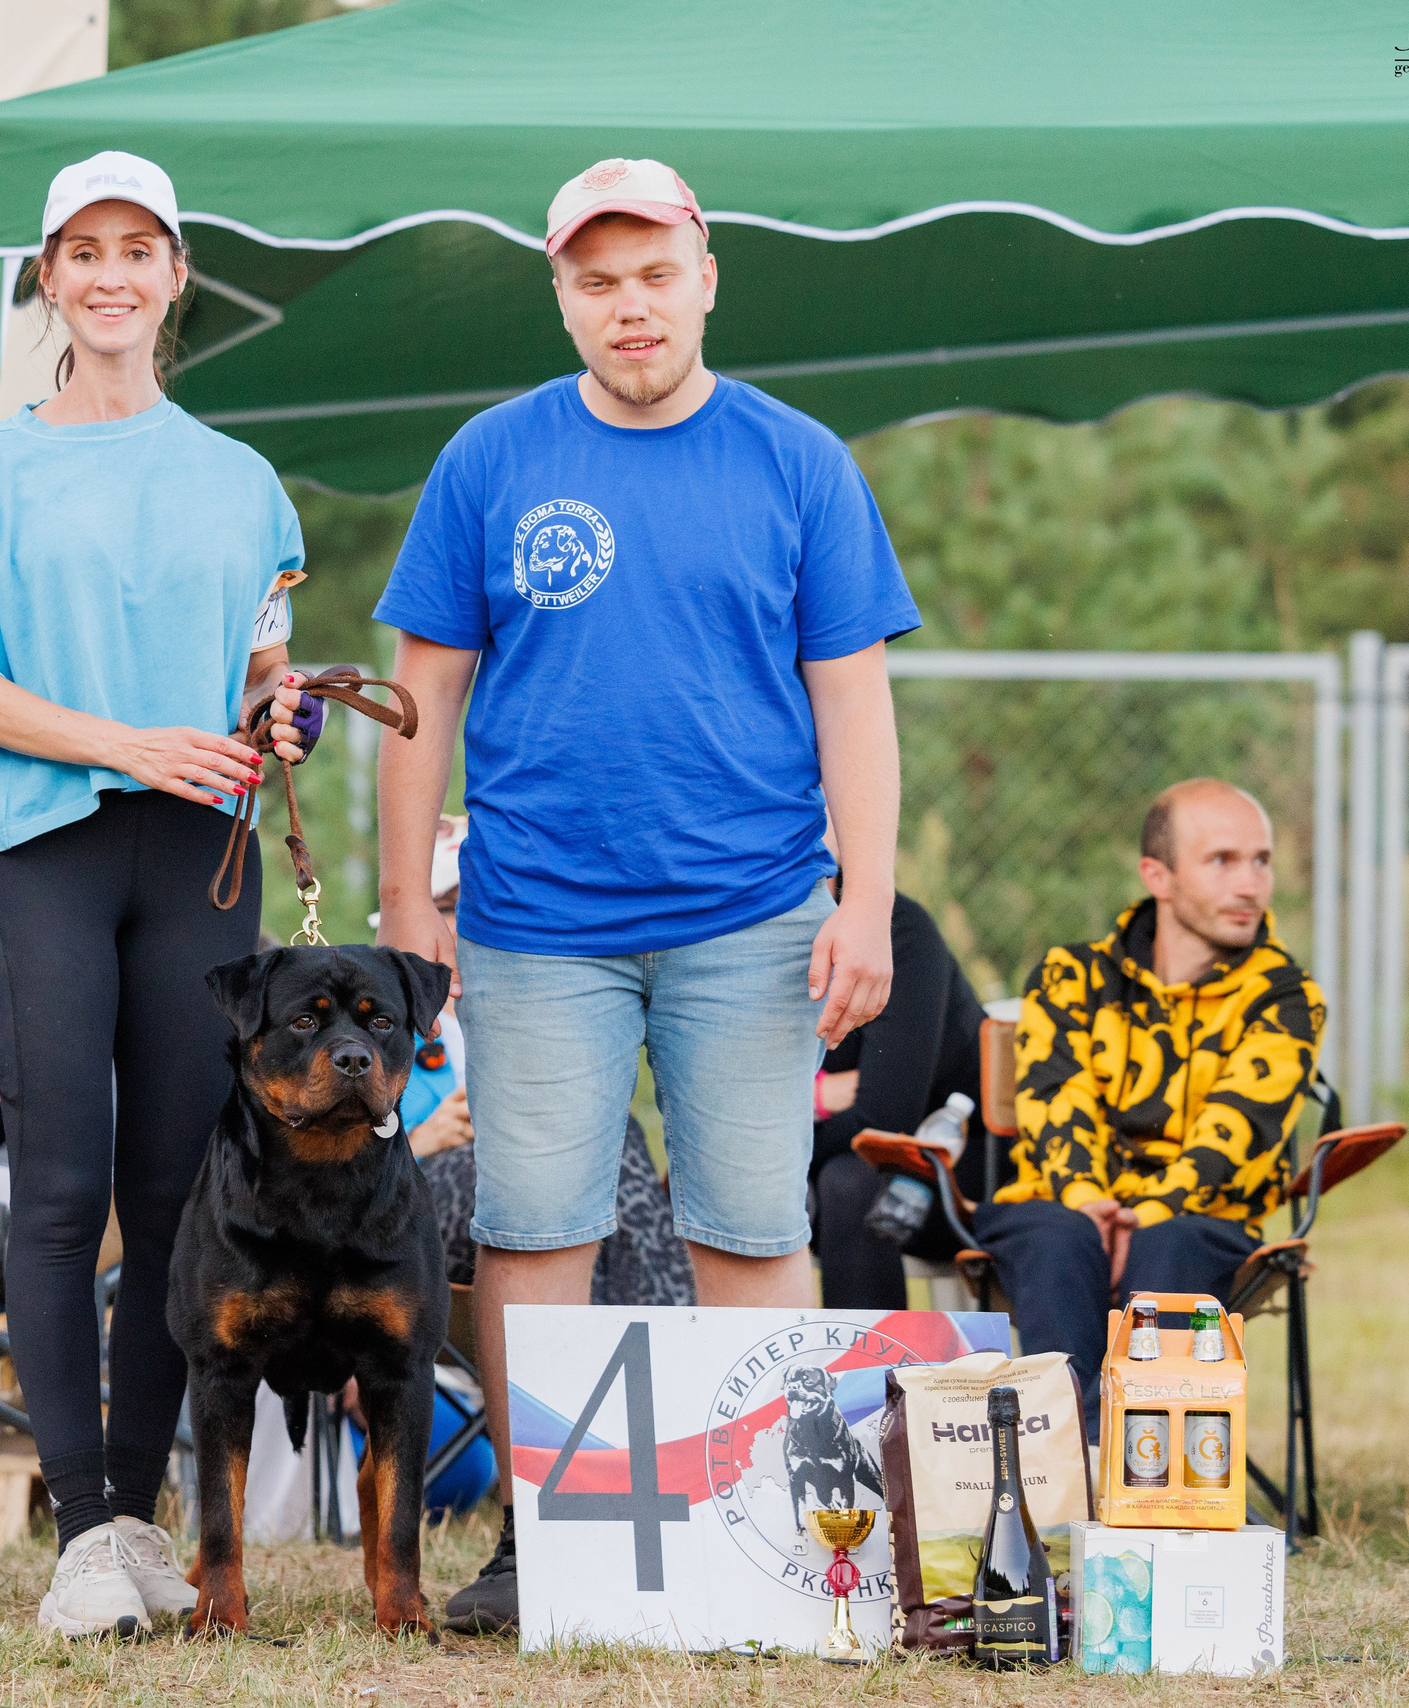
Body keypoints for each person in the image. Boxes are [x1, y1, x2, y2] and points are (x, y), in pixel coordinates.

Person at [373, 157, 918, 1633]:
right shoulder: (490, 459)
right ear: (561, 295)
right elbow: (421, 693)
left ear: (706, 276)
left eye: (654, 274)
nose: (630, 307)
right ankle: (550, 1536)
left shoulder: (799, 460)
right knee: (534, 1226)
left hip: (754, 914)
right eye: (597, 281)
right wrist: (405, 908)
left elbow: (856, 706)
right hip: (537, 917)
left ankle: (772, 1535)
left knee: (749, 1227)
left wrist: (864, 905)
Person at [0, 150, 309, 1641]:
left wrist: (283, 719)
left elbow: (270, 675)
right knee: (64, 1191)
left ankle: (139, 1524)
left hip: (200, 853)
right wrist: (124, 742)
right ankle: (79, 1533)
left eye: (140, 249)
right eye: (85, 251)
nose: (114, 275)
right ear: (49, 278)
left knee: (176, 1198)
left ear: (176, 274)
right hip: (50, 845)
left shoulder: (242, 483)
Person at [977, 779, 1324, 1414]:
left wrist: (1145, 1216)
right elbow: (1058, 1105)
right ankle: (1073, 1463)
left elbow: (1235, 1133)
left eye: (1261, 860)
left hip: (1201, 1220)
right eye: (1222, 860)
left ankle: (1143, 1474)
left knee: (1171, 1244)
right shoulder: (1069, 976)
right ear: (1156, 876)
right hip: (1062, 1204)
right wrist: (1093, 1207)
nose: (1250, 884)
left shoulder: (1286, 998)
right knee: (1059, 1235)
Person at [397, 817, 694, 1310]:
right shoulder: (378, 1034)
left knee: (613, 1140)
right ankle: (661, 1335)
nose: (468, 921)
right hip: (422, 1199)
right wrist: (418, 1142)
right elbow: (322, 1174)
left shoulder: (545, 1014)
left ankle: (631, 1350)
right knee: (591, 1168)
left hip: (547, 1186)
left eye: (479, 902)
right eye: (450, 907)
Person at [808, 886, 997, 1310]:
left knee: (850, 1184)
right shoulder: (744, 940)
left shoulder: (899, 932)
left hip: (955, 1163)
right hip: (824, 1154)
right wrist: (820, 1096)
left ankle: (871, 1372)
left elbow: (881, 1117)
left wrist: (798, 1109)